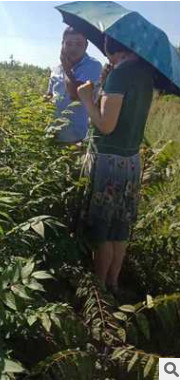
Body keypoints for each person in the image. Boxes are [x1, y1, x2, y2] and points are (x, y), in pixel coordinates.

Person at [77, 35, 155, 295]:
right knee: (120, 230)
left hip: (109, 163)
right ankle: (113, 283)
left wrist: (86, 97)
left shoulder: (120, 75)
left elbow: (106, 125)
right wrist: (104, 84)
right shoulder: (145, 73)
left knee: (102, 229)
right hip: (131, 161)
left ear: (113, 49)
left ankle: (98, 292)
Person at [45, 27, 102, 144]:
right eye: (69, 43)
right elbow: (49, 95)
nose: (73, 48)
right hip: (53, 133)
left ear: (86, 45)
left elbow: (75, 95)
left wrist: (67, 69)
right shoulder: (56, 68)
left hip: (77, 138)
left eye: (79, 44)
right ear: (62, 44)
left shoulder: (93, 66)